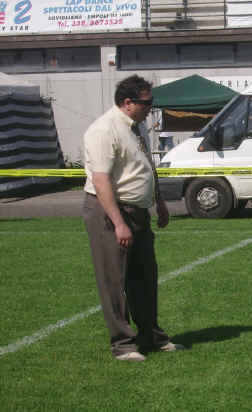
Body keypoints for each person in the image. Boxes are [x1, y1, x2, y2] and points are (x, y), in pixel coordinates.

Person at [82, 75, 181, 362]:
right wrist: (119, 222)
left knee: (145, 276)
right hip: (110, 211)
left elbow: (147, 166)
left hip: (139, 211)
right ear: (128, 103)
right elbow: (101, 181)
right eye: (147, 102)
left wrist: (159, 201)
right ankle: (123, 344)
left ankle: (151, 335)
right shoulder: (103, 129)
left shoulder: (137, 127)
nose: (151, 107)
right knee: (114, 279)